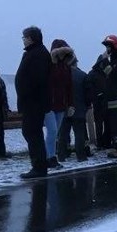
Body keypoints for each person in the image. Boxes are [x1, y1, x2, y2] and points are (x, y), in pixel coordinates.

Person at [15, 26, 52, 179]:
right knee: (31, 133)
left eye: (24, 37)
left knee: (32, 133)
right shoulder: (34, 53)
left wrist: (27, 94)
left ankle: (39, 167)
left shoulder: (38, 54)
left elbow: (37, 80)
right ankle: (38, 165)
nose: (23, 40)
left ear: (31, 38)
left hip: (34, 102)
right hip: (31, 102)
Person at [58, 53, 93, 162]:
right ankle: (81, 156)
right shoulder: (82, 75)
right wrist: (87, 105)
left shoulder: (60, 75)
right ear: (75, 62)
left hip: (64, 110)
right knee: (79, 134)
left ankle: (61, 156)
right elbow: (88, 94)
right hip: (79, 109)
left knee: (63, 134)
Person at [46, 39, 75, 168]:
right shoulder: (49, 66)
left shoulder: (66, 67)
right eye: (61, 52)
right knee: (52, 131)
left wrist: (70, 104)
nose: (63, 55)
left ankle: (50, 156)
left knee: (55, 132)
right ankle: (50, 158)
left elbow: (69, 87)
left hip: (61, 104)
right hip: (49, 104)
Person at [88, 55, 111, 149]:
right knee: (99, 124)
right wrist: (96, 95)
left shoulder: (108, 73)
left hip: (108, 102)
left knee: (108, 123)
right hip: (98, 102)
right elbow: (89, 88)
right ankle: (100, 143)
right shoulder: (92, 74)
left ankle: (107, 142)